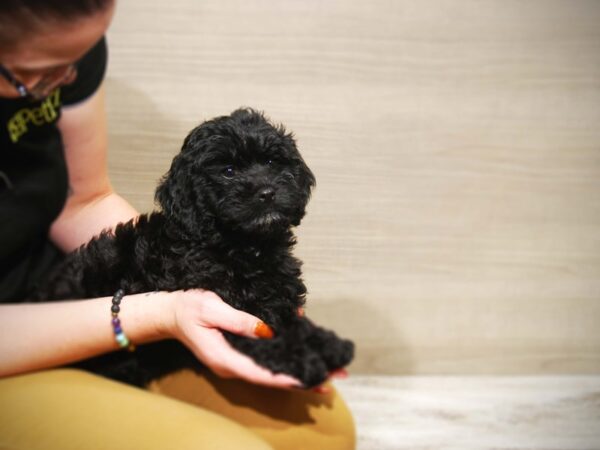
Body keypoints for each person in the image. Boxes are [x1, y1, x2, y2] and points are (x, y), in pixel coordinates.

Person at [0, 1, 355, 449]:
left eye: (76, 63)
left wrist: (202, 276)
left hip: (65, 295)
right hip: (18, 348)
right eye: (39, 73)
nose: (67, 80)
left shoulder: (65, 47)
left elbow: (82, 200)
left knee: (320, 433)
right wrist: (156, 312)